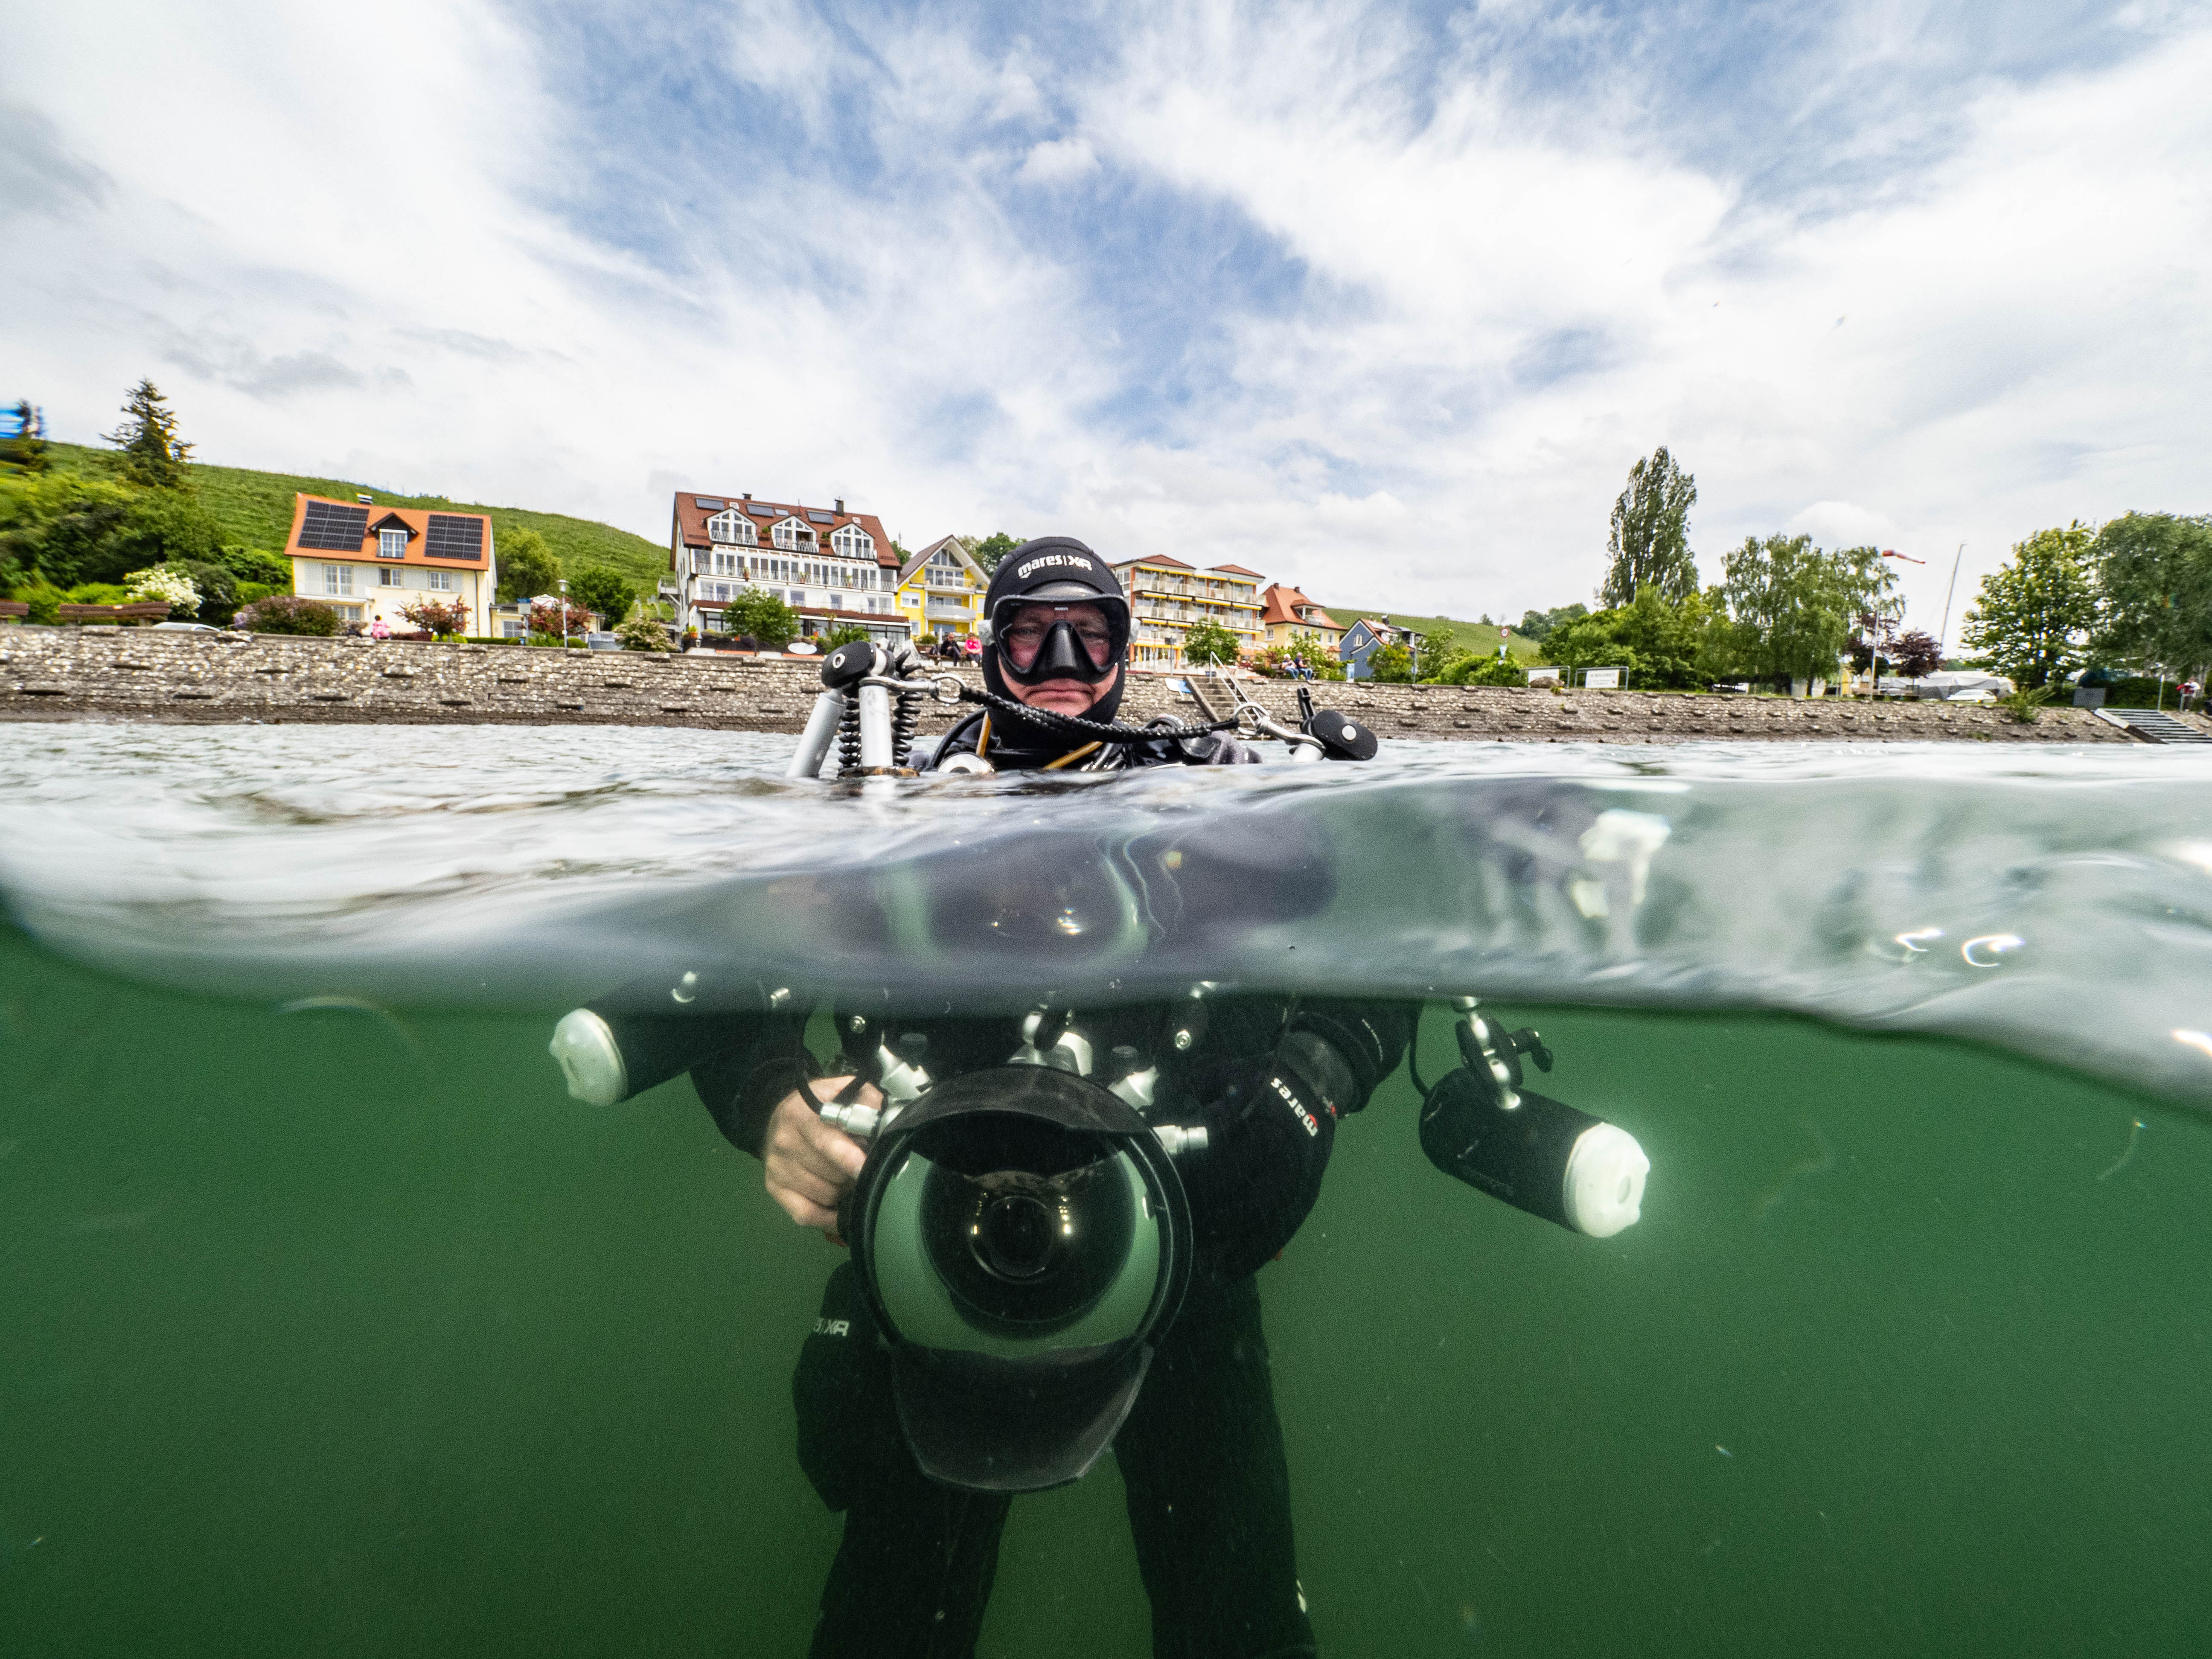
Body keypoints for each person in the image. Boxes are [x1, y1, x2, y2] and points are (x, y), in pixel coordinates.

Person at [686, 539, 1411, 1656]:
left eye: (1093, 633)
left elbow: (1388, 954)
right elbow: (716, 971)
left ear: (1130, 653)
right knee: (888, 1627)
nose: (1063, 661)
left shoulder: (1209, 819)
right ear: (985, 647)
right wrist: (772, 1101)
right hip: (933, 1241)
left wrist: (1308, 1089)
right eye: (1032, 633)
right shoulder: (891, 812)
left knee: (1241, 1629)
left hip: (1185, 1252)